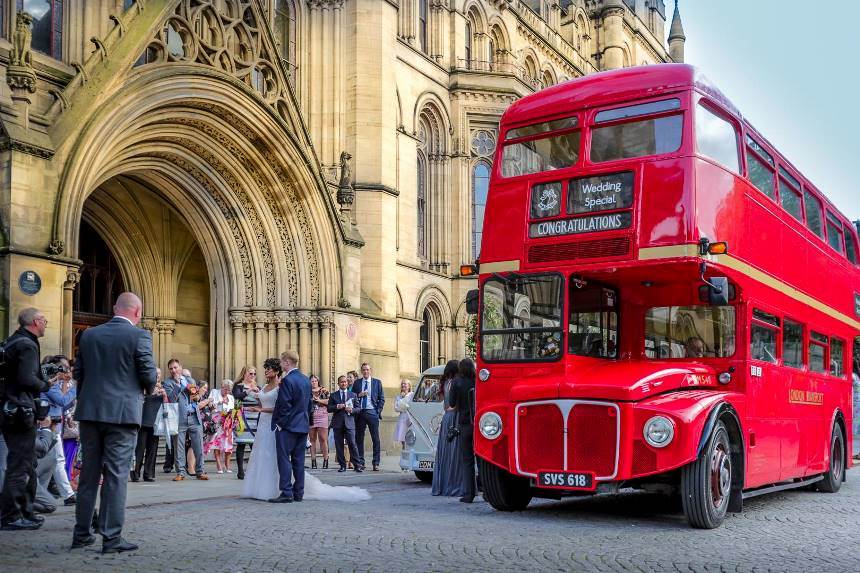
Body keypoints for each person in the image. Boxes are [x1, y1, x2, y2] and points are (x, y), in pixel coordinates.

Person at [72, 293, 158, 553]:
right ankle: (111, 538)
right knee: (116, 475)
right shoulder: (139, 336)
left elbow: (79, 374)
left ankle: (81, 534)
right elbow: (148, 372)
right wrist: (147, 389)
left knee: (88, 476)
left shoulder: (89, 335)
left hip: (89, 412)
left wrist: (88, 402)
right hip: (122, 414)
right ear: (138, 312)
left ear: (114, 309)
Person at [0, 307, 51, 531]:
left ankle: (25, 512)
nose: (46, 322)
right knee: (19, 465)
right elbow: (26, 378)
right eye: (43, 319)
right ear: (34, 322)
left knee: (27, 463)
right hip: (20, 411)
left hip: (12, 409)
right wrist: (45, 384)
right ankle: (11, 516)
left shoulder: (13, 341)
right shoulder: (27, 344)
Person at [269, 350, 313, 503]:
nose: (280, 364)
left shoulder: (288, 380)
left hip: (288, 427)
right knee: (299, 461)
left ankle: (287, 492)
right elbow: (309, 405)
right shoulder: (306, 380)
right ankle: (299, 493)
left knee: (284, 460)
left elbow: (284, 406)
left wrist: (280, 424)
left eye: (281, 361)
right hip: (302, 426)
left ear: (287, 362)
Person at [163, 360, 209, 481]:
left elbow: (195, 398)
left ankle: (200, 471)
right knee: (179, 447)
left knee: (198, 446)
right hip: (179, 418)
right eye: (171, 369)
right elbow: (172, 399)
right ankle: (181, 473)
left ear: (180, 367)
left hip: (194, 416)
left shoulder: (190, 380)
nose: (173, 370)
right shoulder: (168, 383)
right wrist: (178, 385)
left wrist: (198, 396)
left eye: (175, 367)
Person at [40, 355, 77, 506]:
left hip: (55, 423)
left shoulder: (55, 382)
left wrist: (67, 415)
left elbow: (62, 403)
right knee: (53, 459)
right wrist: (76, 386)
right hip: (47, 425)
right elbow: (61, 400)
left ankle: (61, 493)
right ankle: (66, 494)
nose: (67, 371)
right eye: (64, 368)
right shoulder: (49, 382)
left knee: (55, 460)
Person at [431, 360, 464, 497]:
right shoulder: (456, 382)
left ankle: (443, 485)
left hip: (446, 417)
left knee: (445, 452)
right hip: (455, 417)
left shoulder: (445, 383)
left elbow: (445, 406)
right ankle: (455, 484)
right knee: (455, 452)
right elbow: (455, 405)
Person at [450, 358, 477, 503]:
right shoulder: (477, 380)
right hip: (479, 423)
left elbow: (452, 403)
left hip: (465, 423)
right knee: (482, 458)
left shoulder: (457, 382)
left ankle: (469, 493)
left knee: (467, 460)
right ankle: (486, 491)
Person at [132, 368, 165, 482]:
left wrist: (164, 394)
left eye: (159, 374)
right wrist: (149, 393)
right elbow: (137, 398)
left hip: (156, 423)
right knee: (139, 450)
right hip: (143, 421)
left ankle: (148, 474)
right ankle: (135, 473)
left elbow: (169, 403)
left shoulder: (163, 387)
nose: (157, 375)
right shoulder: (144, 386)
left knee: (152, 450)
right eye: (155, 373)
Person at [352, 362, 385, 471]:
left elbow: (382, 399)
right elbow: (351, 397)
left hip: (372, 412)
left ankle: (376, 463)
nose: (365, 372)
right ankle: (361, 462)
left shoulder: (377, 383)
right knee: (359, 438)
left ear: (370, 371)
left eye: (367, 370)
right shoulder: (357, 383)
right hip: (360, 412)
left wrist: (377, 411)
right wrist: (358, 395)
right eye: (364, 370)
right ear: (361, 371)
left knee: (375, 439)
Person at [327, 375, 361, 473]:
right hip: (338, 423)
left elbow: (358, 409)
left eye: (345, 382)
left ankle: (357, 465)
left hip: (349, 423)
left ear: (347, 383)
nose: (344, 383)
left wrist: (352, 410)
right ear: (338, 384)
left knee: (352, 444)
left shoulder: (353, 395)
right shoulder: (334, 395)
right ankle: (342, 466)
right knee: (339, 445)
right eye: (341, 382)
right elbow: (329, 408)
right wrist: (337, 406)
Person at [231, 366, 259, 480]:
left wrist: (259, 393)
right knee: (241, 444)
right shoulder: (238, 386)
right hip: (242, 417)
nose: (252, 376)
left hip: (255, 418)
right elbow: (237, 396)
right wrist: (250, 390)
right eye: (250, 373)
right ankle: (240, 471)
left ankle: (253, 470)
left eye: (254, 374)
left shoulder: (258, 387)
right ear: (244, 374)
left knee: (254, 446)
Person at [206, 380, 236, 474]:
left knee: (228, 445)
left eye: (229, 390)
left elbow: (233, 409)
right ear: (222, 387)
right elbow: (210, 406)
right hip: (217, 421)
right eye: (225, 389)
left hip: (228, 423)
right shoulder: (214, 392)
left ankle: (227, 466)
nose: (227, 392)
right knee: (217, 444)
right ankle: (219, 466)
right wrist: (220, 402)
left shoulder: (231, 397)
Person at [308, 375, 330, 469]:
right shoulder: (307, 391)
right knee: (312, 439)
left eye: (315, 381)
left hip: (322, 416)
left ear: (318, 381)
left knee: (323, 439)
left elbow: (330, 401)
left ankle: (326, 459)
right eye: (312, 381)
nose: (313, 383)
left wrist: (319, 400)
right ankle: (313, 461)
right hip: (311, 416)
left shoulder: (324, 390)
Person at [392, 380, 413, 448]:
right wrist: (403, 400)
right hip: (402, 418)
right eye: (402, 384)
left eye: (405, 384)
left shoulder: (412, 395)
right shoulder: (398, 396)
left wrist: (403, 407)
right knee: (402, 438)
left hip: (410, 419)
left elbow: (412, 407)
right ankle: (404, 452)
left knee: (410, 438)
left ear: (409, 386)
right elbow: (396, 408)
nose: (403, 385)